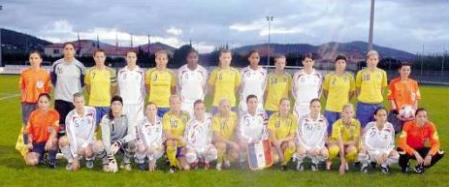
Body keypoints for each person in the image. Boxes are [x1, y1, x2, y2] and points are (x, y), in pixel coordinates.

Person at [51, 42, 85, 136]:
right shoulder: (56, 65)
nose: (68, 51)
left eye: (71, 49)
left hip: (74, 101)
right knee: (61, 127)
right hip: (60, 100)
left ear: (74, 51)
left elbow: (82, 83)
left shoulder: (80, 66)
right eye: (66, 49)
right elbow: (53, 80)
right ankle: (60, 148)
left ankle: (74, 148)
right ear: (63, 51)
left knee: (75, 127)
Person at [59, 92, 99, 171]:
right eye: (77, 102)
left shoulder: (92, 111)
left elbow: (92, 131)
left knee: (92, 149)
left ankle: (89, 159)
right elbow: (71, 137)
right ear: (73, 103)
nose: (80, 104)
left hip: (89, 140)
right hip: (76, 141)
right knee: (62, 141)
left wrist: (85, 145)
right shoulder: (70, 116)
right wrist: (75, 157)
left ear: (84, 101)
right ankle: (71, 161)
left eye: (82, 102)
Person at [19, 51, 52, 146]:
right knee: (27, 125)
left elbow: (47, 89)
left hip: (40, 104)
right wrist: (23, 100)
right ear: (29, 60)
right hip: (27, 103)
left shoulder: (45, 74)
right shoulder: (24, 73)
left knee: (41, 124)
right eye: (31, 58)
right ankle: (26, 146)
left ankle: (39, 144)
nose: (33, 60)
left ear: (41, 60)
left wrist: (43, 102)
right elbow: (22, 88)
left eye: (36, 58)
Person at [398, 108, 444, 174]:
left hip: (419, 148)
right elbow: (402, 143)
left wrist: (430, 155)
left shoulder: (431, 126)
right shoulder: (407, 125)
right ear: (415, 117)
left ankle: (420, 166)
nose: (422, 118)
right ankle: (405, 166)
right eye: (419, 116)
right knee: (402, 150)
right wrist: (415, 153)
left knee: (440, 152)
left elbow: (436, 143)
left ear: (427, 118)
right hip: (408, 149)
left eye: (424, 116)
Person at [99, 96, 136, 172]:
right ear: (111, 106)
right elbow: (105, 139)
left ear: (122, 106)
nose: (116, 106)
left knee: (133, 143)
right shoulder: (106, 118)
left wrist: (120, 142)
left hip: (122, 144)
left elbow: (132, 134)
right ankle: (106, 162)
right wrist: (110, 157)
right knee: (97, 145)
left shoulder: (127, 116)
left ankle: (126, 162)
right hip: (110, 145)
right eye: (114, 104)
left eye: (118, 104)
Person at [358, 108, 399, 174]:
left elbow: (392, 143)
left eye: (384, 115)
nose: (382, 117)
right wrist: (375, 154)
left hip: (383, 152)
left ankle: (384, 165)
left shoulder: (390, 126)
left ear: (387, 116)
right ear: (375, 116)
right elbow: (364, 142)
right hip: (371, 151)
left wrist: (386, 152)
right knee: (361, 153)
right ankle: (365, 165)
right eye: (379, 115)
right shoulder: (370, 125)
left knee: (396, 156)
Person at [24, 93, 59, 168]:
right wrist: (29, 142)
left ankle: (51, 160)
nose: (43, 104)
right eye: (41, 102)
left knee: (54, 140)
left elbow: (55, 130)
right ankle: (41, 157)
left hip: (48, 142)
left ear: (49, 103)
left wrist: (49, 140)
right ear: (38, 103)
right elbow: (27, 130)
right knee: (32, 162)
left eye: (45, 102)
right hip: (37, 143)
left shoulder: (54, 114)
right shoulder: (33, 114)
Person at [322, 55, 355, 133]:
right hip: (330, 108)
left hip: (343, 110)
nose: (340, 64)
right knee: (329, 130)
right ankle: (328, 145)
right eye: (339, 62)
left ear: (346, 64)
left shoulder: (350, 77)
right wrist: (331, 100)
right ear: (335, 64)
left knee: (342, 130)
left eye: (343, 62)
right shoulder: (329, 76)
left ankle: (341, 145)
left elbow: (352, 92)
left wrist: (345, 101)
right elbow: (325, 91)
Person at [355, 50, 387, 127]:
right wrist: (364, 98)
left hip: (378, 105)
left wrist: (376, 97)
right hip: (363, 105)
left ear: (378, 60)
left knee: (377, 127)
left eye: (375, 59)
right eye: (371, 59)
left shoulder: (382, 73)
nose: (373, 61)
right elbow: (358, 89)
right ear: (367, 60)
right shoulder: (361, 73)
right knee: (362, 127)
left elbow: (382, 89)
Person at [327, 104, 361, 175]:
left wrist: (343, 161)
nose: (349, 115)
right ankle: (329, 160)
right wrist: (342, 160)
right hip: (337, 144)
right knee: (334, 150)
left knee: (353, 151)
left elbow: (355, 141)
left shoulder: (357, 123)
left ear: (354, 113)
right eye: (346, 112)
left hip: (346, 144)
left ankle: (346, 161)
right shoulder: (336, 124)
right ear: (342, 113)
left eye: (351, 112)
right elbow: (338, 142)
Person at [295, 98, 328, 171]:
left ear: (320, 108)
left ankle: (314, 162)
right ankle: (300, 162)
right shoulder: (302, 119)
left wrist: (318, 147)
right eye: (314, 106)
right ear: (310, 107)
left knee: (325, 153)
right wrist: (308, 148)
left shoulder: (323, 120)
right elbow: (299, 135)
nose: (316, 109)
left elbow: (324, 137)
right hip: (304, 144)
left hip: (316, 145)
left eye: (318, 106)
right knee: (301, 151)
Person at [85, 49, 117, 124]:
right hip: (93, 104)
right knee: (93, 127)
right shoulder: (89, 71)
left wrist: (107, 96)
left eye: (101, 57)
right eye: (97, 57)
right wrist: (94, 95)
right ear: (94, 57)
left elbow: (114, 87)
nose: (99, 59)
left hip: (107, 104)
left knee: (107, 128)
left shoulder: (111, 71)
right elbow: (88, 87)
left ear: (105, 57)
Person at [387, 62, 421, 133]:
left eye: (408, 70)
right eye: (404, 70)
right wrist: (397, 112)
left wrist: (414, 112)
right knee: (392, 133)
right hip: (396, 114)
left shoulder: (414, 83)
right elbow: (391, 98)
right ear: (399, 70)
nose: (406, 72)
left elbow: (416, 99)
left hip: (410, 114)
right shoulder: (393, 82)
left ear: (410, 71)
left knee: (410, 134)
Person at [117, 50, 146, 132]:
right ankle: (124, 144)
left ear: (136, 58)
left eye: (133, 57)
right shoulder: (121, 72)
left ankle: (137, 144)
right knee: (124, 126)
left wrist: (141, 101)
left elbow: (143, 88)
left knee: (137, 127)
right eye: (129, 57)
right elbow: (119, 88)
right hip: (125, 103)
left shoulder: (141, 72)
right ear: (126, 58)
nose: (131, 59)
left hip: (137, 104)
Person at [184, 100, 217, 170]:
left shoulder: (210, 119)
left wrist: (210, 144)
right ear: (194, 110)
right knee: (190, 155)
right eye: (197, 109)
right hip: (194, 147)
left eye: (202, 109)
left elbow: (213, 134)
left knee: (214, 153)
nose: (200, 111)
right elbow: (187, 139)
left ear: (205, 109)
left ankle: (206, 161)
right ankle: (196, 162)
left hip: (206, 146)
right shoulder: (190, 123)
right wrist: (190, 149)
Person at [162, 95, 191, 173]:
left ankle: (175, 157)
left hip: (182, 144)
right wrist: (179, 138)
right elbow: (168, 135)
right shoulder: (167, 116)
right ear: (170, 104)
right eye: (173, 103)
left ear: (181, 103)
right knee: (171, 142)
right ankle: (172, 165)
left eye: (178, 103)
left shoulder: (186, 115)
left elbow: (190, 130)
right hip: (172, 141)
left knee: (186, 168)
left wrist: (186, 142)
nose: (175, 105)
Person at [267, 98, 297, 171]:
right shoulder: (273, 117)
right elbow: (273, 137)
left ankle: (285, 161)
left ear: (290, 107)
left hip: (284, 143)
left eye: (287, 105)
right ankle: (283, 161)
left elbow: (292, 135)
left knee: (292, 145)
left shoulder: (292, 118)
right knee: (275, 159)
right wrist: (278, 144)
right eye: (283, 105)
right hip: (274, 143)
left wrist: (282, 140)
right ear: (279, 106)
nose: (285, 107)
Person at [237, 95, 267, 167]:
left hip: (259, 141)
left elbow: (266, 131)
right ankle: (243, 160)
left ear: (257, 103)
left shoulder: (263, 115)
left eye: (255, 102)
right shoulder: (242, 116)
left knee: (272, 159)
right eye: (251, 102)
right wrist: (251, 140)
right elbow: (240, 133)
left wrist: (260, 140)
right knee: (242, 143)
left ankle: (255, 159)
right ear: (247, 104)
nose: (253, 105)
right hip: (248, 142)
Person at [177, 48, 208, 117]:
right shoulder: (181, 70)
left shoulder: (203, 71)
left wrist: (202, 98)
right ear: (187, 58)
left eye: (195, 57)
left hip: (198, 102)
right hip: (185, 103)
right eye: (190, 57)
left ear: (198, 58)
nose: (193, 59)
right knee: (185, 123)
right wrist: (181, 98)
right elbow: (179, 86)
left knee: (197, 124)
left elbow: (204, 86)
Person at [208, 49, 241, 113]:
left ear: (231, 58)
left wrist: (230, 95)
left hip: (231, 104)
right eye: (224, 57)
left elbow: (237, 87)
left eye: (228, 57)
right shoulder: (215, 72)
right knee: (215, 122)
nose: (226, 60)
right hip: (217, 104)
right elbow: (210, 87)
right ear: (220, 58)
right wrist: (217, 96)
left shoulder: (235, 72)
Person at [145, 50, 176, 117]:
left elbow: (173, 90)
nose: (161, 61)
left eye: (163, 59)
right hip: (152, 106)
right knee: (152, 126)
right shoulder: (149, 72)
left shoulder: (171, 74)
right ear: (155, 60)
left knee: (165, 127)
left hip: (166, 106)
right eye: (159, 59)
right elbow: (147, 87)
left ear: (167, 60)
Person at [135, 102, 164, 171]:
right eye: (149, 109)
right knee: (141, 147)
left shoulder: (161, 121)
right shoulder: (141, 123)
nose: (151, 112)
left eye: (153, 109)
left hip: (155, 144)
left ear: (156, 110)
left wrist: (156, 145)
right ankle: (140, 161)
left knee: (162, 147)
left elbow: (161, 136)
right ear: (145, 111)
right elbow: (144, 139)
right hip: (144, 144)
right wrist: (151, 157)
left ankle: (153, 160)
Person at [212, 99, 240, 171]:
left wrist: (237, 141)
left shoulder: (234, 116)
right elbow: (216, 137)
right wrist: (231, 143)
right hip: (220, 142)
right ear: (219, 108)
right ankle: (219, 163)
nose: (226, 109)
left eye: (228, 106)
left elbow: (237, 130)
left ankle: (225, 157)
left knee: (235, 156)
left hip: (230, 142)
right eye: (224, 106)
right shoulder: (216, 118)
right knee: (222, 145)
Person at [292, 53, 323, 118]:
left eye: (310, 61)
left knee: (312, 126)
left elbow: (320, 90)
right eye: (306, 61)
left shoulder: (318, 75)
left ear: (313, 62)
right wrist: (300, 101)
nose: (308, 63)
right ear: (303, 62)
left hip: (313, 107)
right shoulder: (297, 75)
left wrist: (314, 103)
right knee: (298, 127)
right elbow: (293, 91)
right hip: (300, 106)